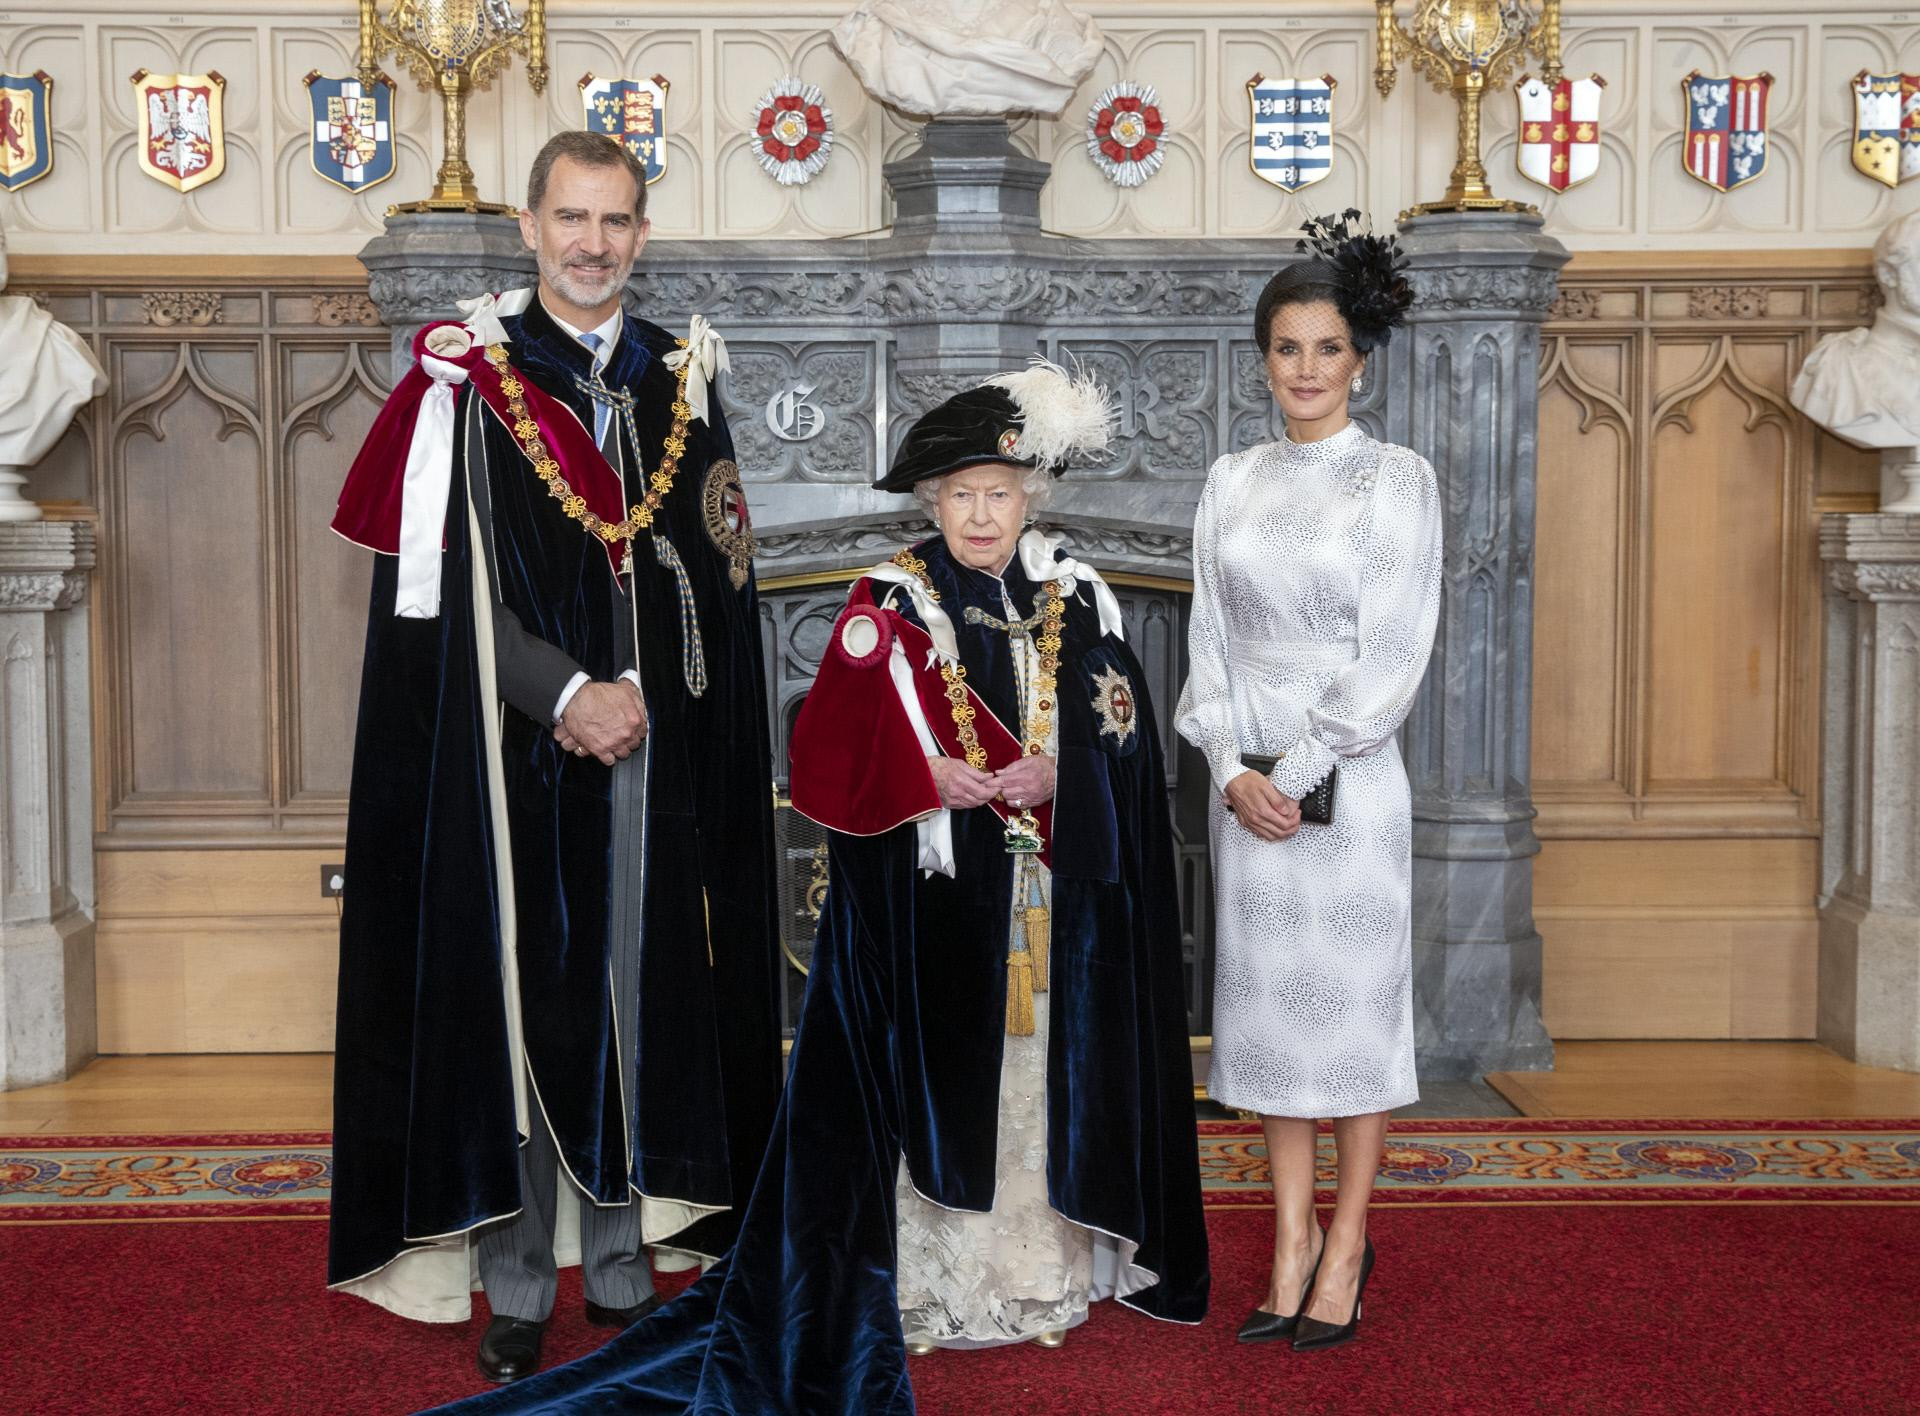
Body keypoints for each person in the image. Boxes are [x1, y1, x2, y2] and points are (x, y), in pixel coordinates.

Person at [431, 361, 1208, 1415]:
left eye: (1002, 494)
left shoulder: (1080, 596)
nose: (982, 516)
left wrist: (1064, 772)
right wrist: (922, 776)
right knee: (940, 1089)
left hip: (1043, 904)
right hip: (928, 912)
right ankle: (938, 1286)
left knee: (1036, 1088)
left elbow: (1123, 734)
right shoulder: (886, 603)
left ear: (1034, 497)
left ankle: (1039, 1272)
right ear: (934, 502)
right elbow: (827, 756)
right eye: (962, 496)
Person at [325, 130, 783, 1385]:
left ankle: (628, 1267)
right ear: (528, 226)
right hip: (512, 757)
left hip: (658, 752)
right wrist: (570, 691)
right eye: (571, 219)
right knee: (532, 1002)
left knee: (644, 996)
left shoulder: (675, 382)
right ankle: (522, 1280)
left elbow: (716, 580)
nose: (594, 244)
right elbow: (442, 598)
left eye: (617, 221)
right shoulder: (468, 385)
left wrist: (653, 702)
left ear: (642, 234)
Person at [1176, 210, 1438, 1353]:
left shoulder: (1398, 479)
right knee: (1272, 1031)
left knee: (1355, 1027)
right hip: (1252, 798)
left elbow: (1395, 650)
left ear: (1359, 361)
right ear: (1264, 358)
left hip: (1352, 786)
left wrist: (1301, 767)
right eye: (1287, 348)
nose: (1307, 370)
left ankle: (1348, 1240)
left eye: (1328, 349)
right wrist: (1231, 768)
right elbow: (1205, 642)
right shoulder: (1230, 479)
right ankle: (1286, 1241)